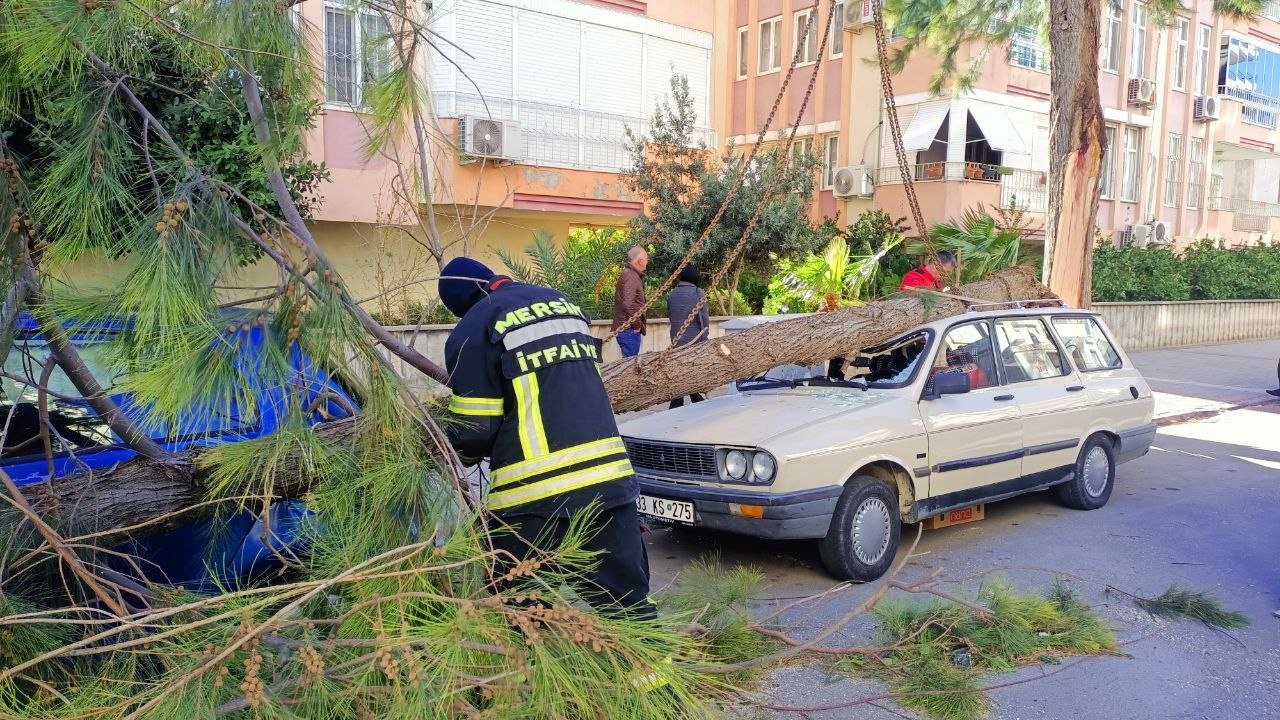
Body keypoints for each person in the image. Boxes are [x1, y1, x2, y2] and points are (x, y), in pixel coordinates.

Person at [438, 257, 655, 621]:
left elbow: (475, 431)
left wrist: (455, 441)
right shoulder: (562, 305)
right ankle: (657, 676)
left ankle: (532, 672)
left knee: (521, 608)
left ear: (462, 307)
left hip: (535, 495)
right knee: (629, 606)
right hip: (611, 480)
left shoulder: (473, 329)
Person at [665, 265, 710, 409]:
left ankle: (681, 400)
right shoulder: (698, 293)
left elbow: (671, 316)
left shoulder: (672, 294)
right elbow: (703, 319)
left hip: (676, 339)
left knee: (679, 370)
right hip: (694, 339)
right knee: (691, 370)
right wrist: (705, 339)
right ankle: (693, 398)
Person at [611, 246, 648, 358]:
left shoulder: (632, 275)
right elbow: (627, 304)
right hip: (629, 329)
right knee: (630, 367)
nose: (647, 262)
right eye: (646, 259)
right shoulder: (630, 276)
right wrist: (637, 324)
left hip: (629, 329)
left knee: (630, 365)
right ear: (640, 261)